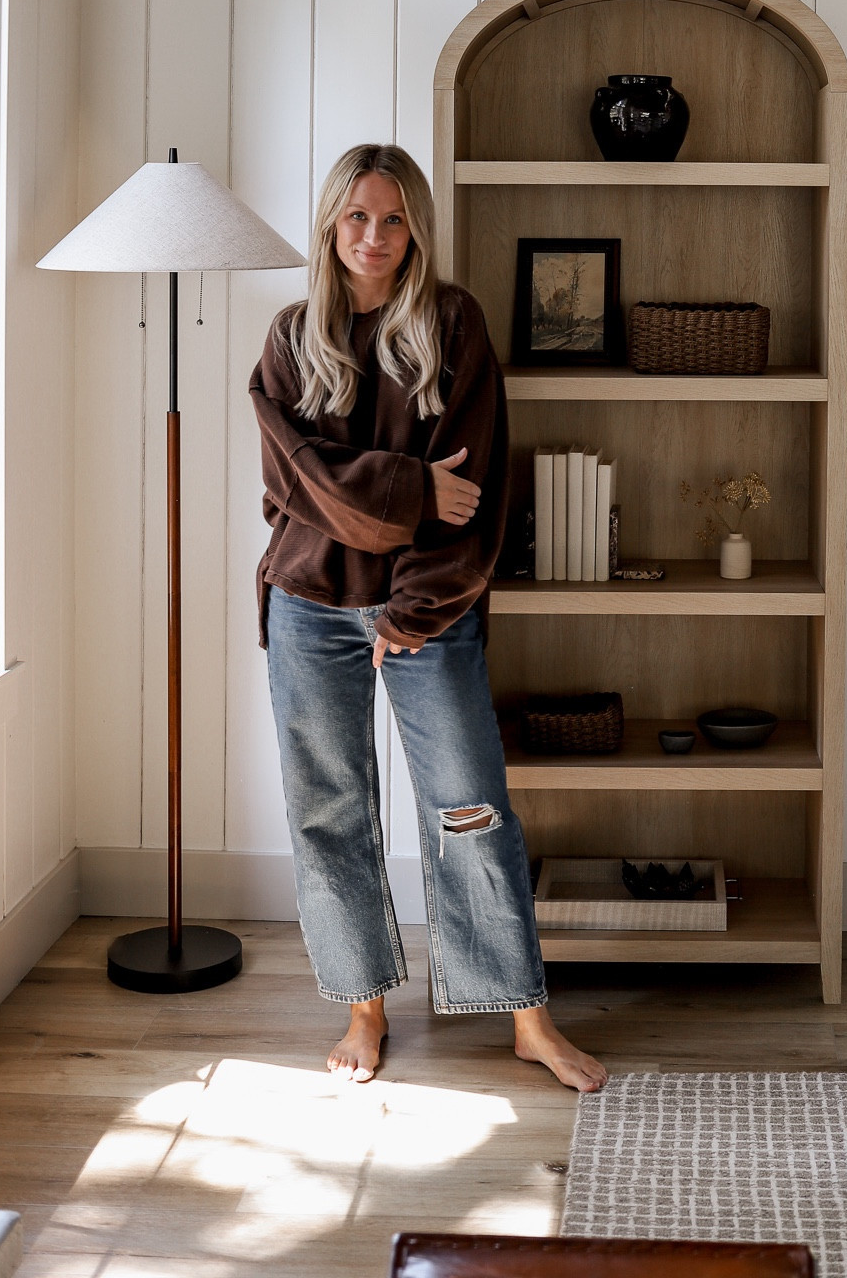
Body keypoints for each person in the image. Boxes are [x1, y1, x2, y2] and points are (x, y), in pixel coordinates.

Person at [250, 142, 607, 1093]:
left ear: (417, 229)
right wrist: (410, 485)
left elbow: (476, 492)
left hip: (425, 612)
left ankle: (526, 1018)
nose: (374, 236)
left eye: (395, 218)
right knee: (329, 813)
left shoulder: (452, 326)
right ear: (332, 223)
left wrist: (414, 603)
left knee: (470, 811)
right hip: (307, 605)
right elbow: (295, 487)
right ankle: (363, 1007)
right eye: (358, 216)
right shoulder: (289, 340)